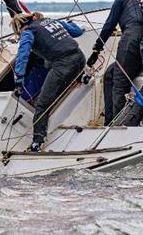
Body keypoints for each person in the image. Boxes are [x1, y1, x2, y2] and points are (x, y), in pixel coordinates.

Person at [11, 12, 86, 151]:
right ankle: (80, 76)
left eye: (18, 33)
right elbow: (77, 32)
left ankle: (38, 141)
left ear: (20, 27)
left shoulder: (28, 32)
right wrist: (80, 28)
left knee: (41, 105)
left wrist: (19, 80)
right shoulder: (51, 21)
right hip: (80, 59)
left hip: (64, 66)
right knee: (47, 63)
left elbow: (23, 55)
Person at [90, 0, 143, 125]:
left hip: (132, 40)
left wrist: (97, 48)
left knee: (119, 82)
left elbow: (110, 25)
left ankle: (117, 126)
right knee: (110, 74)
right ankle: (109, 121)